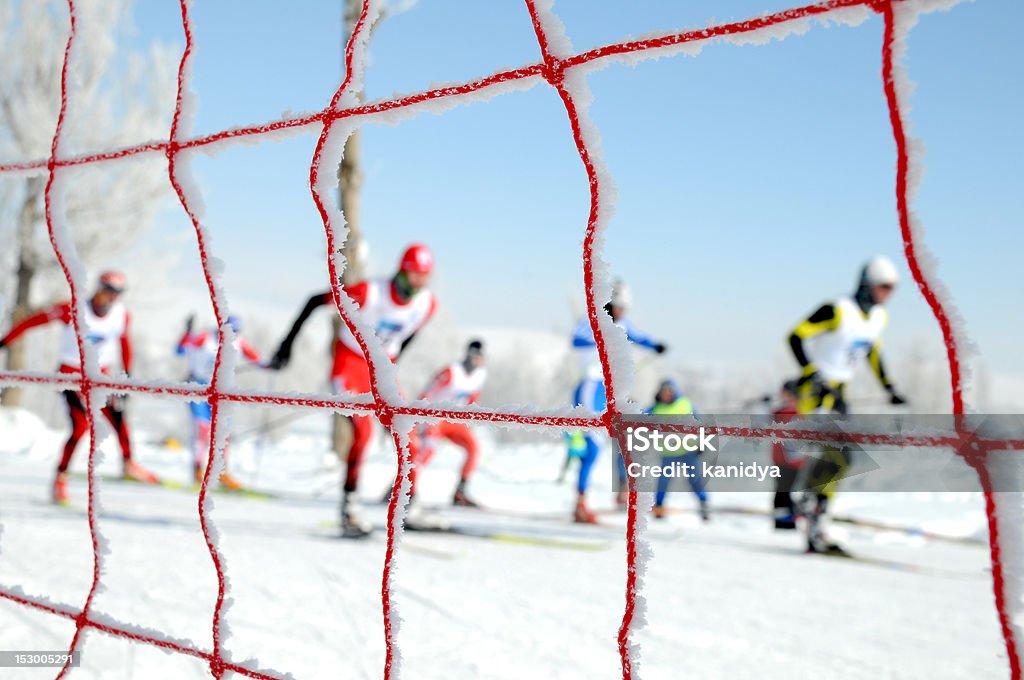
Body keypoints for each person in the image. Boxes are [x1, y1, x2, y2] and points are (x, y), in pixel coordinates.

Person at [269, 243, 437, 537]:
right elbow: (314, 301)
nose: (421, 283)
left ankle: (408, 504)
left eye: (426, 277)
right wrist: (287, 346)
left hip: (380, 370)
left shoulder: (426, 305)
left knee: (409, 438)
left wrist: (392, 361)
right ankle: (349, 508)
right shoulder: (370, 292)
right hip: (349, 363)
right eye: (416, 275)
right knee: (363, 432)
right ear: (403, 270)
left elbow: (407, 335)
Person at [0, 271, 158, 503]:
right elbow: (32, 321)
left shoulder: (121, 315)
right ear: (99, 287)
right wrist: (4, 341)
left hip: (99, 377)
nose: (112, 297)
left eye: (118, 292)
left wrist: (126, 376)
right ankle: (60, 480)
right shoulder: (72, 308)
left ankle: (128, 464)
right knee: (81, 425)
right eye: (109, 290)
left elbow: (125, 344)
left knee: (119, 417)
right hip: (70, 376)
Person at [787, 255, 908, 553]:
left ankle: (816, 519)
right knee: (836, 454)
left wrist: (889, 387)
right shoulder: (836, 310)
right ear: (867, 284)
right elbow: (795, 337)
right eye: (883, 286)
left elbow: (873, 352)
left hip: (840, 393)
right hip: (815, 391)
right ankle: (804, 500)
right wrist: (811, 373)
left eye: (892, 288)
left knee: (841, 458)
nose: (888, 294)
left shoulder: (878, 317)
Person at [569, 279, 667, 524]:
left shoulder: (622, 323)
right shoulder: (593, 321)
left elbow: (639, 336)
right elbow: (576, 340)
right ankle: (580, 502)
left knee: (621, 438)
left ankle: (620, 492)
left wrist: (656, 345)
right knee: (591, 449)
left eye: (625, 308)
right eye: (618, 307)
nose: (622, 312)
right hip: (589, 387)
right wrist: (601, 339)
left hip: (607, 389)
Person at [175, 313, 264, 489]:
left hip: (221, 390)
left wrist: (275, 363)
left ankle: (221, 471)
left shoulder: (238, 343)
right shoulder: (205, 338)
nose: (232, 335)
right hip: (199, 387)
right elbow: (180, 350)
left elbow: (258, 360)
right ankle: (197, 470)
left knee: (222, 432)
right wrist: (187, 333)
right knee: (202, 429)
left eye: (236, 332)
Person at [414, 339, 487, 507]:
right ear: (469, 355)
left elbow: (472, 399)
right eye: (476, 356)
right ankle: (403, 485)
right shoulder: (451, 372)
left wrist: (469, 418)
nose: (479, 361)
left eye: (482, 357)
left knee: (473, 448)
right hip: (436, 418)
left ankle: (460, 492)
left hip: (455, 420)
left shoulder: (479, 375)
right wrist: (419, 418)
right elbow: (427, 393)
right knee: (427, 452)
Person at [646, 379, 709, 521]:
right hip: (668, 452)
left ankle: (704, 505)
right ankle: (659, 508)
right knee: (663, 481)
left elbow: (702, 423)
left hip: (688, 451)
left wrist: (702, 442)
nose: (666, 395)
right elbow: (639, 417)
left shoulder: (686, 404)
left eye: (669, 392)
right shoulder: (655, 408)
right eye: (664, 392)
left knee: (695, 480)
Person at [769, 379, 804, 530]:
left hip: (787, 459)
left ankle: (785, 522)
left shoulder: (787, 411)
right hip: (790, 459)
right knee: (784, 491)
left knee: (782, 492)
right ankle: (786, 520)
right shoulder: (795, 410)